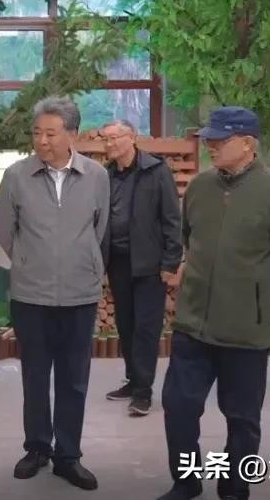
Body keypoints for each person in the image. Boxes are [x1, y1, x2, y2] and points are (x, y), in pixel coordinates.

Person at [157, 106, 270, 500]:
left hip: (245, 328)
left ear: (248, 144)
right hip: (193, 323)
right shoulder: (200, 188)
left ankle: (234, 487)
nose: (211, 146)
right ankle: (187, 481)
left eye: (220, 140)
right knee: (179, 407)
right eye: (209, 139)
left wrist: (261, 296)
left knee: (242, 417)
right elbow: (189, 238)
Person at [0, 96, 110, 491]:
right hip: (31, 296)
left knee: (75, 379)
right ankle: (37, 448)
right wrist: (32, 261)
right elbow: (6, 230)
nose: (42, 141)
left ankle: (68, 455)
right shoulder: (17, 176)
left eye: (51, 133)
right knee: (35, 375)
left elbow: (100, 228)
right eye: (37, 133)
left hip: (80, 295)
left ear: (72, 135)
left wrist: (82, 261)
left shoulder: (96, 176)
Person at [99, 119, 183, 416]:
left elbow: (172, 219)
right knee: (125, 325)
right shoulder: (106, 175)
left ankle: (143, 393)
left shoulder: (156, 171)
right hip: (118, 262)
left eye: (114, 138)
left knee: (146, 329)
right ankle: (133, 380)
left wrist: (171, 261)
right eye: (105, 139)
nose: (109, 144)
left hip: (150, 264)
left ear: (132, 137)